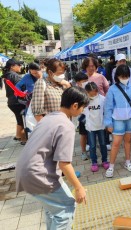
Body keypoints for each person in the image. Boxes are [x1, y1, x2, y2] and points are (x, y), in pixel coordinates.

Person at [15, 87, 89, 229]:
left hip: (25, 171)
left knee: (52, 209)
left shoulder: (49, 117)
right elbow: (64, 164)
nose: (83, 111)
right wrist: (78, 187)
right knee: (65, 209)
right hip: (37, 174)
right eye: (83, 107)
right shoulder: (67, 125)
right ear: (75, 106)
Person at [104, 64, 131, 178]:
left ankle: (127, 162)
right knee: (116, 143)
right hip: (117, 120)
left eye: (126, 76)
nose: (124, 78)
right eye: (122, 76)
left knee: (128, 141)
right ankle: (111, 166)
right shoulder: (112, 89)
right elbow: (108, 107)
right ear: (117, 76)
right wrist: (108, 123)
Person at [31, 58, 71, 123]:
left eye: (63, 73)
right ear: (50, 72)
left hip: (64, 124)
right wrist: (48, 128)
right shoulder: (41, 83)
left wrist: (67, 85)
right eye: (59, 73)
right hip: (51, 126)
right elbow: (37, 113)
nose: (62, 76)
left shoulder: (62, 84)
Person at [84, 82, 109, 172]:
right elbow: (81, 111)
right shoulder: (85, 100)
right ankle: (94, 162)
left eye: (95, 92)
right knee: (92, 146)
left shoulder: (102, 99)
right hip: (91, 127)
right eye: (91, 93)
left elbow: (107, 110)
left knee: (103, 144)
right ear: (87, 92)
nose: (94, 94)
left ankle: (105, 161)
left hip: (101, 126)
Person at [2, 58, 27, 144]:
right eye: (18, 65)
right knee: (23, 119)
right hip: (17, 101)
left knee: (19, 118)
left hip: (11, 101)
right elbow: (22, 87)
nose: (20, 66)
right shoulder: (15, 76)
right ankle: (24, 139)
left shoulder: (8, 75)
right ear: (12, 67)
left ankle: (18, 136)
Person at [73, 72, 90, 161]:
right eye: (84, 81)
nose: (86, 82)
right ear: (78, 82)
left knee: (91, 134)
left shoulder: (88, 88)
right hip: (82, 117)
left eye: (87, 80)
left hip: (91, 115)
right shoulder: (75, 91)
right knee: (83, 135)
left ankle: (91, 149)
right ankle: (83, 152)